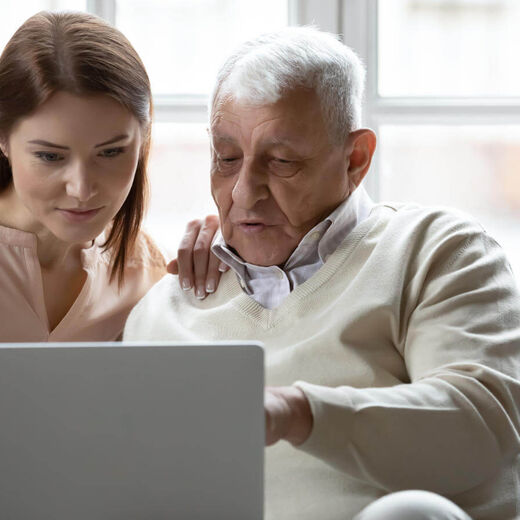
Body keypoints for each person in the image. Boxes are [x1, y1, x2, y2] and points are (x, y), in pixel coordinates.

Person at [124, 27, 520, 519]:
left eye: (282, 161)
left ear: (356, 159)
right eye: (226, 159)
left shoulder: (436, 251)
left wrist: (296, 413)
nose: (244, 193)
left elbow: (480, 426)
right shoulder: (162, 309)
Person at [0, 11, 222, 341]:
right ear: (3, 139)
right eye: (49, 156)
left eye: (110, 152)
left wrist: (233, 266)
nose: (81, 189)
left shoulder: (148, 276)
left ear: (143, 138)